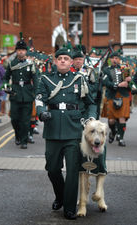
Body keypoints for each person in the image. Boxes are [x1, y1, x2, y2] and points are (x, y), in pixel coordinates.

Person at [35, 47, 97, 220]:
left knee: (72, 171)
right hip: (53, 128)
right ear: (55, 61)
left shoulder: (79, 79)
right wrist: (41, 112)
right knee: (52, 169)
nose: (62, 61)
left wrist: (90, 118)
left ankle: (69, 208)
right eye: (59, 58)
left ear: (71, 62)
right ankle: (60, 196)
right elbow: (40, 98)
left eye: (66, 58)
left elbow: (91, 103)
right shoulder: (46, 79)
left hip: (73, 130)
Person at [3, 33, 38, 149]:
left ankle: (23, 141)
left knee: (25, 120)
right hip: (15, 93)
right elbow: (6, 77)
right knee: (14, 119)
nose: (21, 52)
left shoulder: (31, 64)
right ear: (16, 51)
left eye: (23, 50)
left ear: (26, 51)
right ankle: (18, 135)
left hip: (28, 94)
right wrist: (6, 86)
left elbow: (35, 79)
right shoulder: (12, 64)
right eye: (19, 50)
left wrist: (36, 92)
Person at [102, 52, 132, 147]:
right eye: (112, 58)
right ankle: (113, 131)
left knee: (122, 117)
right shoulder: (106, 70)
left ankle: (121, 138)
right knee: (111, 120)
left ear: (119, 59)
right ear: (110, 60)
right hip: (111, 95)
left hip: (123, 95)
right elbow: (106, 82)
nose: (114, 60)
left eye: (116, 58)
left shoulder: (125, 69)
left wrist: (130, 80)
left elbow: (131, 82)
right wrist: (118, 85)